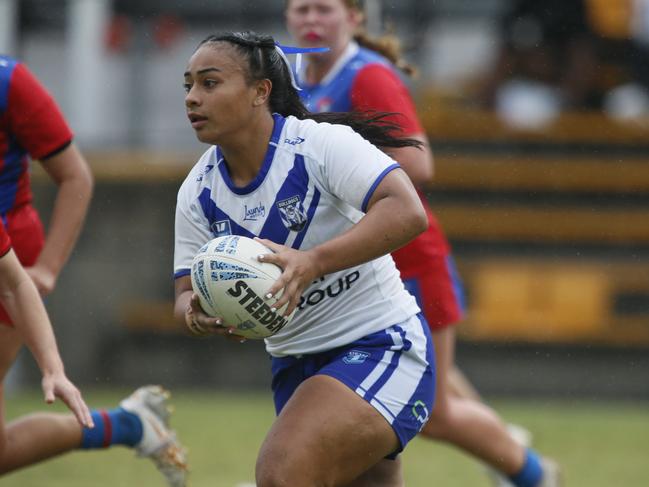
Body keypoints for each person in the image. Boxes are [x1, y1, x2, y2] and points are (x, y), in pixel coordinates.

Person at [284, 1, 560, 486]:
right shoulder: (301, 78)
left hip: (408, 263)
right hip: (362, 268)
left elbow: (418, 163)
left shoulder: (366, 76)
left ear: (355, 17)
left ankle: (533, 474)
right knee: (402, 397)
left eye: (322, 9)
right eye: (299, 9)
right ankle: (508, 452)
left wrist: (343, 180)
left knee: (430, 412)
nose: (309, 21)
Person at [175, 31, 435, 486]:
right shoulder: (198, 192)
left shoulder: (317, 146)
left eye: (210, 83)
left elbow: (407, 211)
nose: (193, 99)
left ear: (261, 91)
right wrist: (197, 313)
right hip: (294, 365)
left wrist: (312, 260)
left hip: (380, 345)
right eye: (189, 86)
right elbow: (183, 293)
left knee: (281, 472)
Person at [0, 55, 187, 485]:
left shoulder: (10, 83)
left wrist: (46, 269)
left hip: (12, 261)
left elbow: (77, 177)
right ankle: (129, 424)